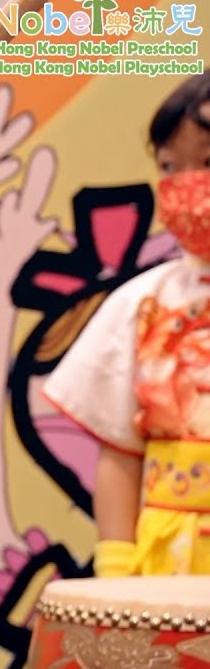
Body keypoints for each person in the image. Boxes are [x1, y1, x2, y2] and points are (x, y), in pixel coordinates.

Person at [44, 71, 210, 578]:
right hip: (170, 566)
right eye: (169, 167)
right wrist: (116, 567)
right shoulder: (142, 303)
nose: (188, 186)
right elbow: (120, 452)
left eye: (207, 162)